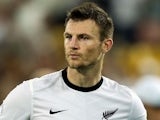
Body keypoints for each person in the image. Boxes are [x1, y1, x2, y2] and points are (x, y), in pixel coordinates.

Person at [0, 2, 146, 120]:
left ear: (106, 45)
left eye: (84, 37)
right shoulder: (29, 94)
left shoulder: (128, 102)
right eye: (69, 37)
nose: (73, 45)